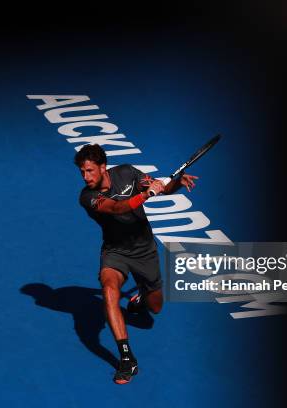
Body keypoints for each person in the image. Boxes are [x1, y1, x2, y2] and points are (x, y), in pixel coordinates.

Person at [75, 143, 198, 384]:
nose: (85, 176)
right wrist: (145, 195)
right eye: (82, 172)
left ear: (103, 167)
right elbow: (117, 207)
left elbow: (160, 189)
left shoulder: (127, 173)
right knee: (109, 290)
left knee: (155, 308)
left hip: (144, 251)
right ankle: (127, 359)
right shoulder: (87, 197)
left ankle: (142, 294)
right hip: (115, 252)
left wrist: (174, 183)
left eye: (90, 171)